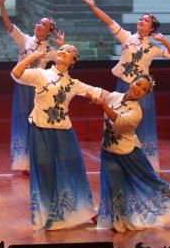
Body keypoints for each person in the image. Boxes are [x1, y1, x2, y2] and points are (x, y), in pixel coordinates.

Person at [81, 0, 170, 171]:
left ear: (152, 28)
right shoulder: (126, 37)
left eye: (146, 20)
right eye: (141, 18)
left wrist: (164, 40)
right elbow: (109, 21)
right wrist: (93, 6)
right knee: (119, 123)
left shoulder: (153, 48)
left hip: (142, 91)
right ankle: (122, 160)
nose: (141, 21)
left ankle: (146, 163)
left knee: (142, 124)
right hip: (123, 87)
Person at [11, 45, 103, 230]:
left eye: (69, 51)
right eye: (61, 48)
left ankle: (87, 210)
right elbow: (16, 74)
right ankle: (47, 214)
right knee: (45, 171)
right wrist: (34, 57)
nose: (63, 51)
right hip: (41, 130)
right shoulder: (40, 74)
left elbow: (99, 92)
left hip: (64, 131)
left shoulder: (73, 83)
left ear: (73, 61)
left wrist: (125, 97)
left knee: (73, 170)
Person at [91, 74, 170, 231]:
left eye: (144, 89)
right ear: (131, 82)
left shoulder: (136, 112)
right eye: (138, 84)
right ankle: (115, 219)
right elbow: (94, 91)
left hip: (129, 153)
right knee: (114, 186)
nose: (139, 89)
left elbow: (119, 121)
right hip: (109, 151)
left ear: (145, 95)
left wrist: (104, 105)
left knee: (153, 181)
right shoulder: (114, 96)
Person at [0, 0, 64, 173]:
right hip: (22, 87)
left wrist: (63, 45)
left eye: (43, 24)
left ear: (49, 31)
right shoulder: (25, 40)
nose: (38, 25)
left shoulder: (49, 49)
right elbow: (8, 25)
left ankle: (38, 159)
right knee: (22, 121)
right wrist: (2, 4)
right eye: (38, 22)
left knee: (37, 122)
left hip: (39, 88)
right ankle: (23, 162)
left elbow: (65, 61)